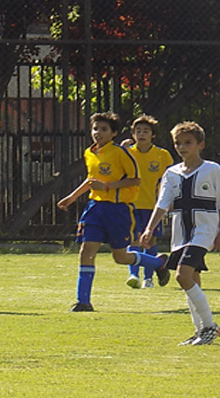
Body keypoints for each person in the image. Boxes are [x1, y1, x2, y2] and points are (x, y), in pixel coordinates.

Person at [57, 111, 171, 312]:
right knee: (86, 252)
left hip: (118, 210)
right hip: (95, 208)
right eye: (95, 128)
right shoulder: (90, 153)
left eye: (103, 129)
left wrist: (108, 187)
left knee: (120, 257)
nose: (97, 133)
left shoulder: (120, 153)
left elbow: (135, 180)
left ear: (114, 133)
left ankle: (158, 263)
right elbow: (91, 180)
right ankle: (83, 301)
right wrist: (72, 197)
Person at [140, 121, 220, 345]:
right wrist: (149, 228)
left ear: (200, 145)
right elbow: (162, 204)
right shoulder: (171, 173)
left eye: (188, 143)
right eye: (178, 143)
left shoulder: (211, 169)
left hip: (203, 232)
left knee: (182, 276)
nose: (182, 147)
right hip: (180, 235)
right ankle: (200, 330)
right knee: (192, 279)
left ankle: (210, 326)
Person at [122, 115, 174, 289]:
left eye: (145, 131)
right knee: (134, 240)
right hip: (131, 205)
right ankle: (134, 275)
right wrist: (122, 150)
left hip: (153, 206)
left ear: (153, 135)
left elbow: (169, 180)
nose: (141, 134)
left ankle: (149, 278)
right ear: (133, 134)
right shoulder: (128, 152)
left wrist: (170, 200)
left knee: (149, 241)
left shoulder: (162, 155)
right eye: (138, 131)